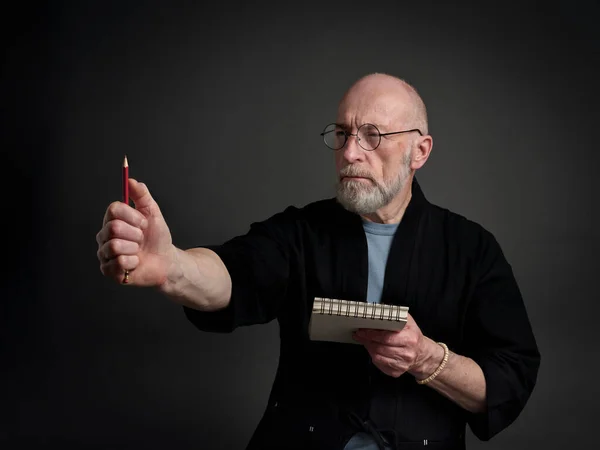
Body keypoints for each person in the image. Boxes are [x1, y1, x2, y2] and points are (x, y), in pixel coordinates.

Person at [96, 73, 540, 450]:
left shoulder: (471, 248)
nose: (349, 153)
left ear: (419, 152)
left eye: (373, 135)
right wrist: (172, 265)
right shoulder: (301, 231)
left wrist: (425, 359)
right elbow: (235, 274)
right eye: (343, 134)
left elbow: (509, 380)